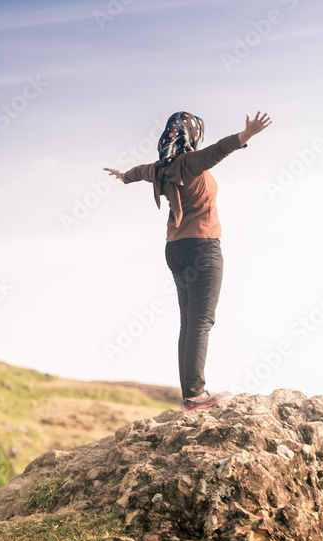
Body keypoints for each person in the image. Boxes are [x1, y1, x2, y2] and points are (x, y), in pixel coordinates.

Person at [104, 110, 272, 411]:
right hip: (202, 247)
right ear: (192, 135)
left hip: (176, 250)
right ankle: (195, 394)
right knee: (201, 322)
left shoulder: (161, 168)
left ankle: (191, 394)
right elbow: (218, 151)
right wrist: (247, 135)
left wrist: (123, 176)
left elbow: (140, 172)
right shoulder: (189, 163)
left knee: (190, 323)